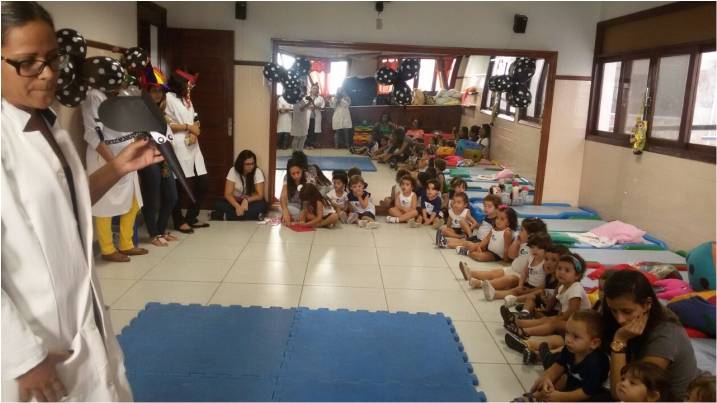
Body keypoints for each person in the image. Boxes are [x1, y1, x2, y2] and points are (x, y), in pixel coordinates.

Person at [1, 2, 162, 400]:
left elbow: (64, 205)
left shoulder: (45, 122)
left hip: (79, 316)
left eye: (53, 58)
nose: (48, 73)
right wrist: (21, 357)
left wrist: (118, 168)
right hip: (33, 345)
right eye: (27, 63)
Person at [602, 270, 700, 400]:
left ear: (647, 304)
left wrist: (620, 340)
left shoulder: (664, 336)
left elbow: (620, 394)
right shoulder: (624, 317)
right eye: (613, 310)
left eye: (627, 311)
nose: (620, 319)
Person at [82, 86, 147, 262]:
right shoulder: (94, 97)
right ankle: (107, 249)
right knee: (105, 204)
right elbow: (93, 135)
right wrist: (114, 164)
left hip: (126, 156)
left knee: (134, 201)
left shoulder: (121, 95)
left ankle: (126, 244)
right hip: (105, 159)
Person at [523, 310, 610, 402]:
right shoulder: (570, 349)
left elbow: (586, 393)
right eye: (567, 333)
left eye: (575, 337)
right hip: (572, 379)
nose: (568, 339)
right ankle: (534, 397)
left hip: (590, 393)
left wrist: (561, 397)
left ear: (594, 343)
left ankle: (544, 353)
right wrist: (547, 379)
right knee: (551, 382)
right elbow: (558, 367)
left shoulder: (595, 364)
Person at [138, 67, 179, 247]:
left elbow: (167, 136)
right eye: (154, 90)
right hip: (148, 159)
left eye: (160, 91)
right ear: (146, 92)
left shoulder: (161, 111)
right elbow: (139, 138)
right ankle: (153, 234)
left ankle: (161, 230)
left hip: (163, 159)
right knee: (152, 199)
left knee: (171, 197)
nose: (158, 94)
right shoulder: (140, 111)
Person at [504, 253, 590, 339]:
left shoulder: (576, 288)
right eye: (559, 268)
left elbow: (573, 311)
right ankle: (517, 322)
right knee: (547, 319)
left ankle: (525, 332)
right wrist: (556, 316)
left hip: (580, 327)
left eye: (567, 270)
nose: (561, 272)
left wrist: (558, 318)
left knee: (553, 322)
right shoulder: (562, 287)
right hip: (572, 321)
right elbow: (563, 307)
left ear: (577, 276)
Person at [166, 66, 209, 233]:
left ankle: (191, 217)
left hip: (192, 144)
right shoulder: (168, 98)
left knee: (202, 183)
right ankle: (178, 220)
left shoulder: (186, 99)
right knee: (178, 185)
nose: (192, 86)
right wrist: (188, 127)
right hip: (178, 144)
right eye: (190, 83)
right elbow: (166, 123)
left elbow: (195, 118)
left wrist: (195, 130)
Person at [480, 232, 552, 301]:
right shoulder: (531, 258)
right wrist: (520, 286)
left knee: (534, 294)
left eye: (539, 248)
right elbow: (524, 273)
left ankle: (515, 299)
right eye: (532, 247)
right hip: (528, 285)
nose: (535, 250)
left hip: (537, 289)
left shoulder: (545, 263)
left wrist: (529, 291)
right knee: (515, 290)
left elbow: (544, 285)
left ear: (546, 249)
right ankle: (495, 294)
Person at [211, 149, 267, 221]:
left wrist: (246, 200)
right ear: (241, 164)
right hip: (235, 201)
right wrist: (237, 206)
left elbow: (260, 195)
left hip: (250, 202)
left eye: (252, 163)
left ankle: (224, 216)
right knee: (217, 204)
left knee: (262, 206)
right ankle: (254, 215)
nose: (251, 166)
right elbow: (228, 194)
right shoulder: (233, 170)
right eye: (247, 164)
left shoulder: (257, 172)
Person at [280, 157, 308, 224]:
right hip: (293, 206)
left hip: (307, 206)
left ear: (302, 170)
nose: (296, 176)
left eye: (298, 172)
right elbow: (283, 196)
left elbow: (308, 199)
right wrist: (285, 210)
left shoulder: (308, 177)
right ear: (289, 174)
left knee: (309, 214)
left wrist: (304, 211)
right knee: (285, 210)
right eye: (293, 174)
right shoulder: (287, 177)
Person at [305, 83, 324, 149]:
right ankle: (307, 144)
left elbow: (322, 107)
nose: (315, 89)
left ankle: (312, 144)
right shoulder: (306, 97)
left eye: (316, 88)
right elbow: (302, 106)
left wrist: (316, 107)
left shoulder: (320, 98)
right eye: (313, 88)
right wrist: (308, 106)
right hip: (307, 116)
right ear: (311, 89)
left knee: (314, 131)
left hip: (316, 116)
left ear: (318, 90)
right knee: (307, 130)